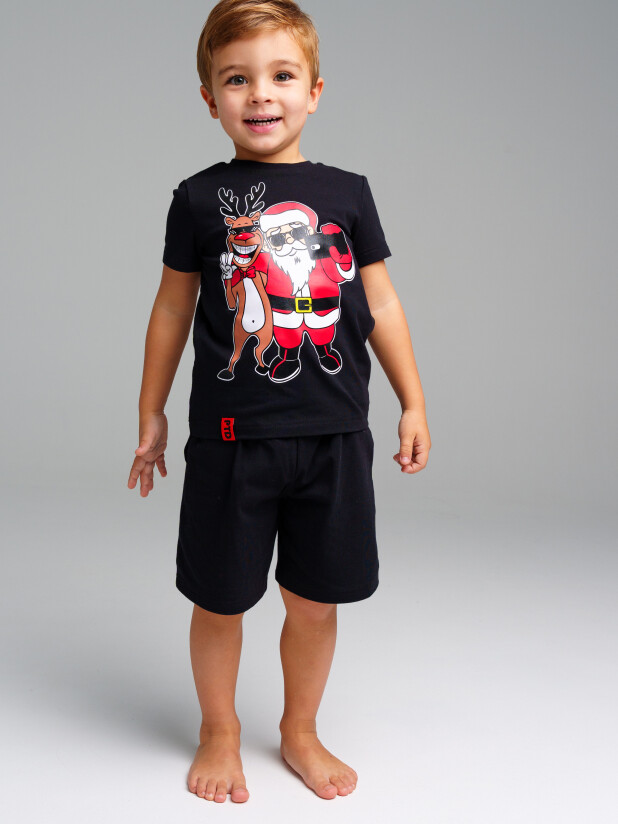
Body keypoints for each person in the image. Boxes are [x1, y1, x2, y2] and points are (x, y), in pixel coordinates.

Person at [127, 0, 430, 805]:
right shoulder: (199, 199)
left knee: (316, 602)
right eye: (237, 79)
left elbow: (383, 303)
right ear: (210, 99)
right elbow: (171, 310)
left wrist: (412, 401)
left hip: (335, 437)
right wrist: (152, 411)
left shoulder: (348, 193)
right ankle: (219, 729)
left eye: (282, 75)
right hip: (232, 440)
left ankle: (300, 729)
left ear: (315, 92)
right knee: (220, 599)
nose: (261, 94)